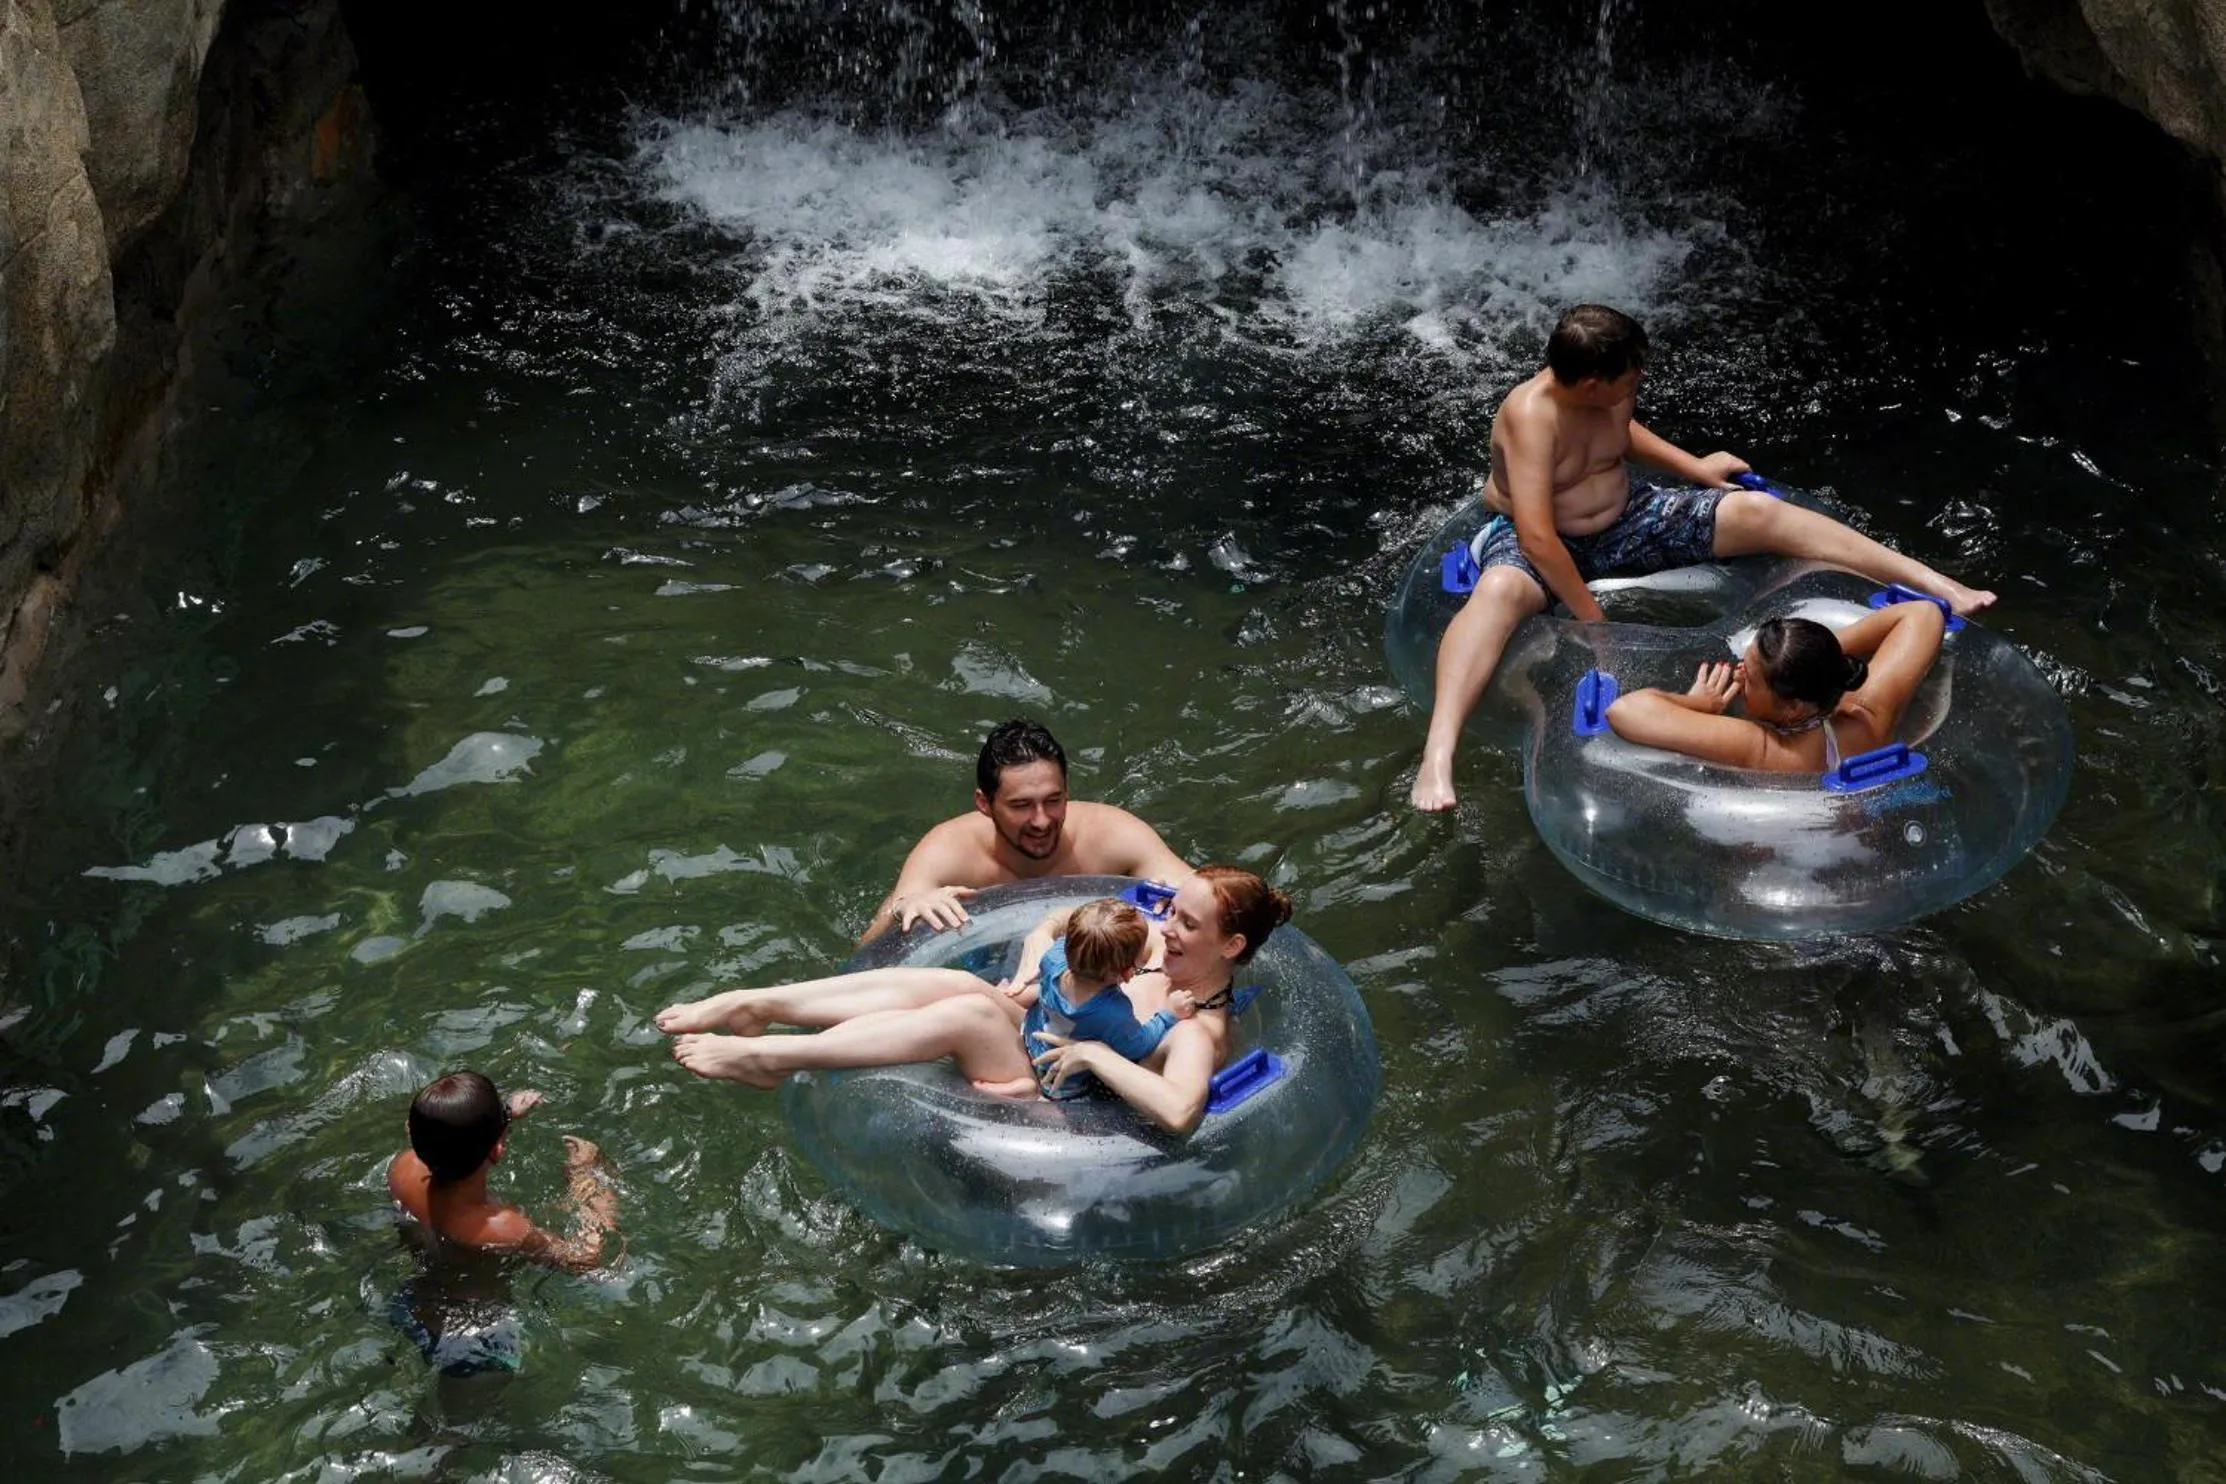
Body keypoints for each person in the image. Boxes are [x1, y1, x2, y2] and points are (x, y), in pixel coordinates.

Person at [1411, 304, 1996, 812]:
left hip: (1630, 516)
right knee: (1498, 594)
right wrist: (1593, 623)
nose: (1637, 384)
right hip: (1548, 539)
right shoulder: (1530, 417)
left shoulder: (1612, 395)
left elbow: (1622, 436)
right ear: (1591, 383)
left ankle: (1933, 580)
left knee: (1757, 513)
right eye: (1628, 378)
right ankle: (1439, 755)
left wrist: (1695, 470)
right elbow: (1539, 537)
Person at [656, 866, 1293, 1136]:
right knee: (962, 986)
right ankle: (757, 1001)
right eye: (1173, 913)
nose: (1166, 928)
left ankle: (775, 1057)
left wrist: (1098, 1056)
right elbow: (1056, 925)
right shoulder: (1151, 940)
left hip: (1056, 1100)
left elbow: (1181, 1113)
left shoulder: (1198, 1029)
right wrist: (1026, 966)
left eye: (1187, 924)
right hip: (1041, 1034)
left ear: (1231, 945)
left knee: (969, 1012)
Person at [863, 718, 1191, 939]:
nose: (1041, 820)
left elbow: (1208, 896)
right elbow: (875, 946)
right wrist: (907, 906)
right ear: (984, 803)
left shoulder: (1114, 835)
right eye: (1021, 805)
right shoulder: (949, 851)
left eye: (1053, 800)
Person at [1603, 596, 1947, 769]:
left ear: (1793, 706)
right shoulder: (1867, 717)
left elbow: (1624, 710)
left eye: (1750, 678)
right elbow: (1924, 614)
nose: (1738, 673)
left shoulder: (1765, 749)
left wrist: (1701, 705)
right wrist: (1814, 657)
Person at [386, 1071, 620, 1273]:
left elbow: (432, 1130)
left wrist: (505, 1115)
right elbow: (586, 1259)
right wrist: (587, 1178)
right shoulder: (503, 1227)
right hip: (472, 1317)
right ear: (497, 1150)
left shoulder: (403, 1168)